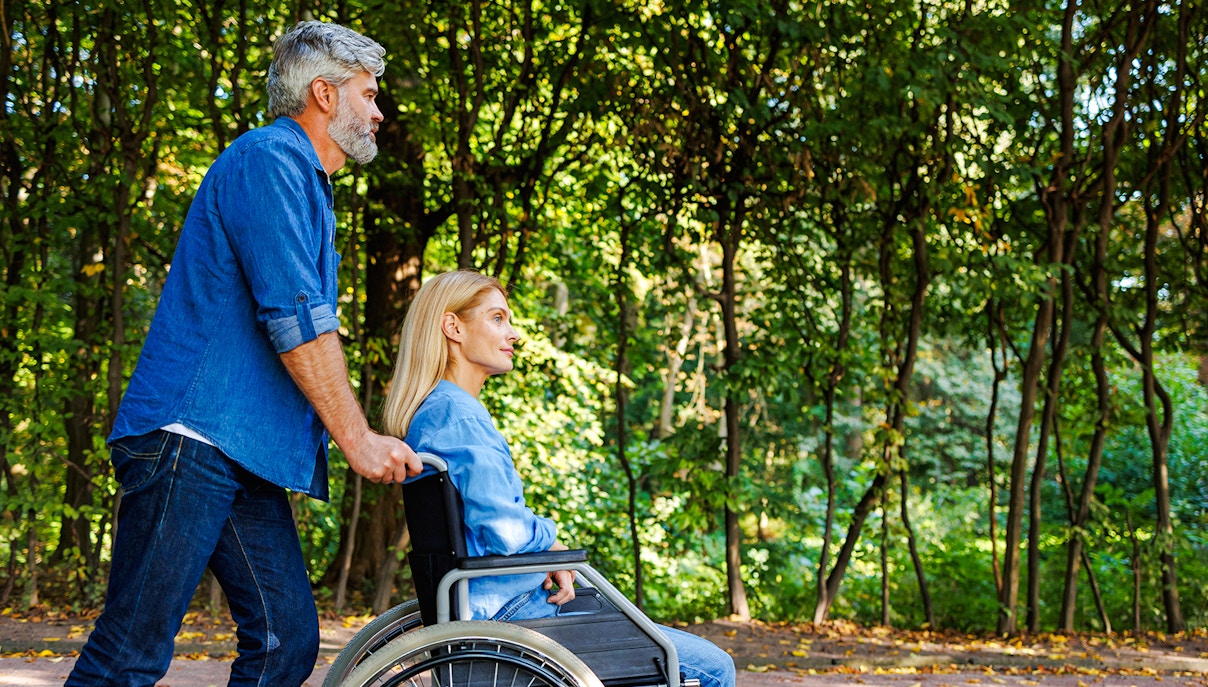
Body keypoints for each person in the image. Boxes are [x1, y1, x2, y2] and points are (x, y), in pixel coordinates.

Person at [67, 21, 422, 687]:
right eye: (369, 95)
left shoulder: (308, 183)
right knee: (130, 653)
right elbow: (296, 319)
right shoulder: (269, 161)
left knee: (286, 641)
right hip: (189, 437)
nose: (378, 112)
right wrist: (358, 438)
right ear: (323, 93)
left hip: (238, 451)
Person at [382, 270, 736, 687]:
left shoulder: (440, 411)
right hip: (513, 620)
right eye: (498, 319)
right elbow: (505, 533)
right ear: (453, 326)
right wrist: (552, 545)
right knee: (713, 667)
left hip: (499, 608)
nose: (513, 333)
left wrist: (545, 557)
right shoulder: (457, 417)